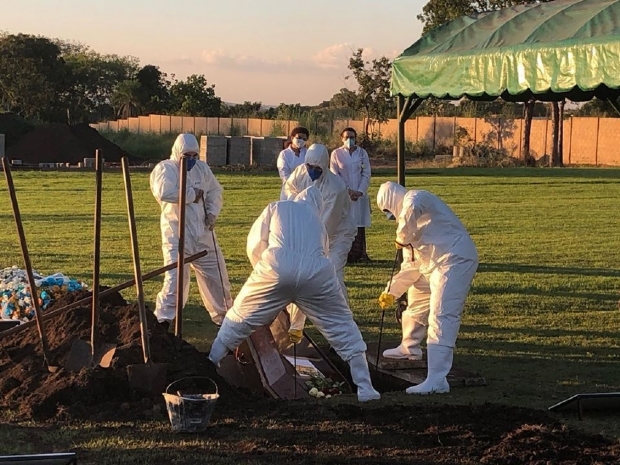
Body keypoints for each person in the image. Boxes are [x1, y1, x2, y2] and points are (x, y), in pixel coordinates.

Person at [208, 186, 380, 402]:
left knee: (238, 318)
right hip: (317, 273)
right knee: (343, 327)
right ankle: (365, 388)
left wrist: (266, 277)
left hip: (276, 266)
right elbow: (321, 256)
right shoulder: (319, 224)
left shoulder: (277, 207)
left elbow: (254, 244)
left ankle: (209, 365)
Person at [376, 181, 478, 395]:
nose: (390, 217)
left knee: (442, 314)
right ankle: (409, 347)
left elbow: (412, 210)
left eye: (388, 211)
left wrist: (402, 236)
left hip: (454, 258)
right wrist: (390, 291)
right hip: (432, 265)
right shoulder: (406, 228)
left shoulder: (416, 198)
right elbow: (410, 267)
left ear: (392, 201)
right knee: (416, 298)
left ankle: (437, 379)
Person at [150, 133, 233, 328]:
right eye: (187, 156)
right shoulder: (166, 169)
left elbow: (215, 191)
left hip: (204, 234)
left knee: (218, 280)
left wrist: (212, 212)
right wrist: (191, 194)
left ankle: (226, 324)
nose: (192, 160)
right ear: (178, 153)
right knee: (175, 282)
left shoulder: (202, 169)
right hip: (177, 234)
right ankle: (162, 322)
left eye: (195, 155)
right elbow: (164, 192)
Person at [282, 143, 357, 340]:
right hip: (309, 230)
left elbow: (326, 225)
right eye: (309, 167)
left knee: (331, 272)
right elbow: (288, 190)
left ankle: (345, 321)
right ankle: (295, 324)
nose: (312, 172)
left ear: (324, 166)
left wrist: (307, 244)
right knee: (301, 272)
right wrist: (296, 201)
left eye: (317, 169)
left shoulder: (336, 188)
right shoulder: (301, 172)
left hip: (337, 234)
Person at [330, 128, 372, 263]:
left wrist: (360, 191)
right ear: (342, 138)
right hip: (344, 194)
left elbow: (366, 173)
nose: (350, 140)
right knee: (345, 222)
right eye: (347, 137)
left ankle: (360, 254)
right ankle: (346, 254)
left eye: (352, 137)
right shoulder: (336, 154)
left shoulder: (362, 153)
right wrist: (347, 191)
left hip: (359, 195)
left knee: (359, 222)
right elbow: (335, 174)